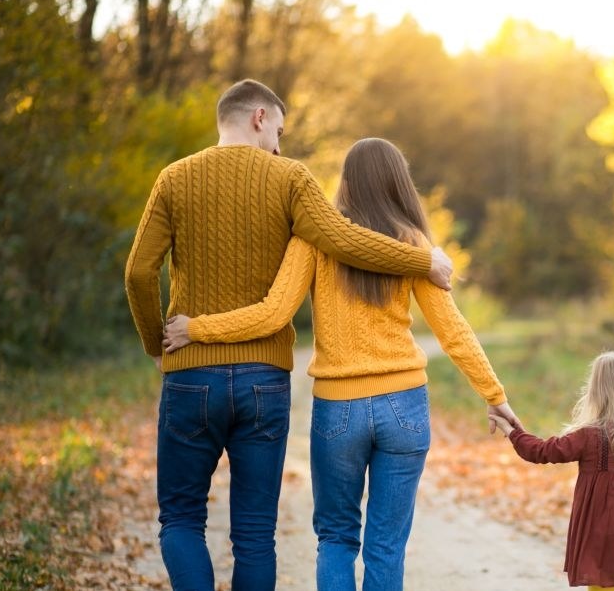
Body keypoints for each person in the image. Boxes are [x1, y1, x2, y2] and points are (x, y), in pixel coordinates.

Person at [125, 80, 455, 591]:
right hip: (264, 381)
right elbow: (343, 239)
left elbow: (139, 274)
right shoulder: (290, 178)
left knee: (181, 519)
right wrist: (422, 257)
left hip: (190, 374)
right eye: (277, 129)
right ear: (259, 117)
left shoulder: (174, 178)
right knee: (255, 533)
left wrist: (157, 344)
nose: (279, 144)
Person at [159, 137, 520, 591]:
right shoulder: (413, 246)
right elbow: (454, 331)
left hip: (338, 410)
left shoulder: (314, 240)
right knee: (386, 545)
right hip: (404, 407)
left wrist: (197, 328)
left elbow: (273, 313)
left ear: (346, 182)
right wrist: (495, 396)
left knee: (336, 538)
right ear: (398, 184)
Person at [487, 351, 614, 591]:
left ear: (596, 391)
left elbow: (542, 452)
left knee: (599, 584)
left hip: (599, 535)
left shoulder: (588, 436)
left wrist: (512, 430)